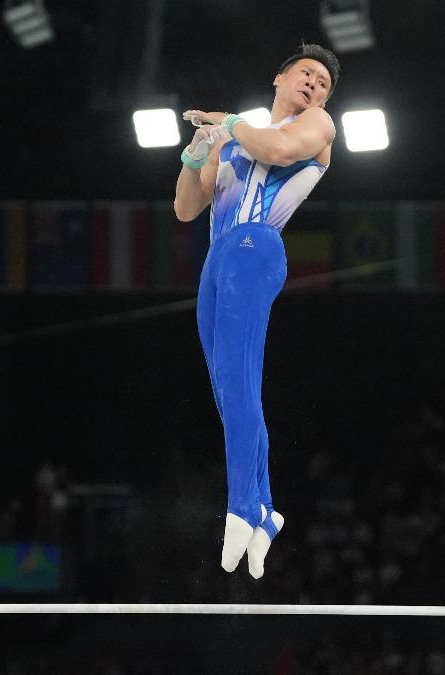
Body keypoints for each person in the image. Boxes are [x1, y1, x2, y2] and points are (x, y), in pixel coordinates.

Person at [173, 43, 340, 578]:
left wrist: (230, 122)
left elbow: (281, 150)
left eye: (323, 81)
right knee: (227, 389)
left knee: (242, 383)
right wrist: (198, 152)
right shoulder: (239, 134)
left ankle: (243, 506)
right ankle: (264, 508)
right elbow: (186, 207)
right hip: (215, 261)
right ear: (279, 78)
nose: (314, 83)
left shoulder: (317, 126)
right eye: (306, 73)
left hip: (256, 246)